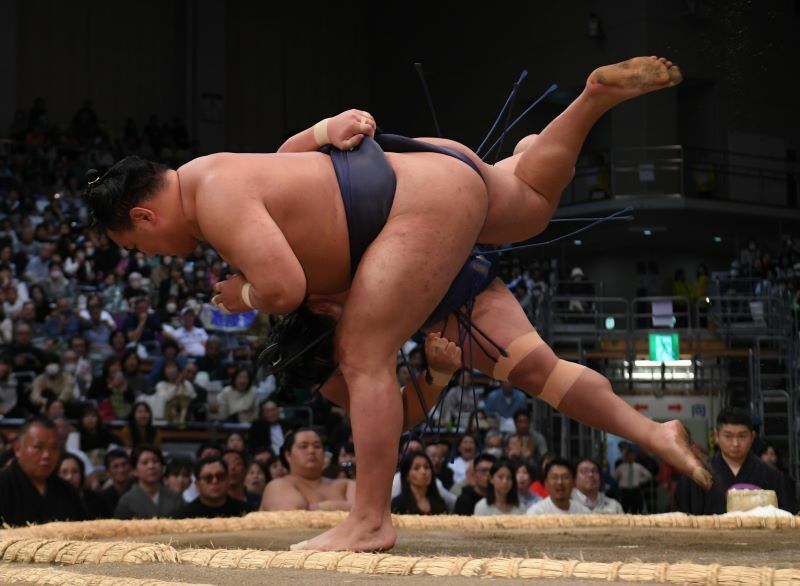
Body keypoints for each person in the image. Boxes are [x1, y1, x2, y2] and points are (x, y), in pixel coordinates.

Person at [87, 57, 694, 551]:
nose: (154, 254)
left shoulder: (212, 200)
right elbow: (288, 166)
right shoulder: (212, 172)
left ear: (143, 214)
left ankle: (370, 518)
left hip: (411, 210)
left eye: (139, 243)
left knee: (363, 351)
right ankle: (590, 101)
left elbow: (285, 290)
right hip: (424, 185)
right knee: (530, 206)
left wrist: (240, 295)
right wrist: (325, 130)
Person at [677, 408, 795, 514]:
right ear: (717, 436)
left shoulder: (772, 475)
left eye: (742, 436)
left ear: (752, 437)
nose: (735, 443)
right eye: (728, 436)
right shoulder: (696, 475)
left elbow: (786, 517)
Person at [0, 417, 85, 526]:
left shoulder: (68, 492)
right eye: (38, 447)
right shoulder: (3, 485)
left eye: (53, 448)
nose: (47, 455)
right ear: (17, 449)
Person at [260, 428, 354, 512]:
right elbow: (295, 515)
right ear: (288, 455)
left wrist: (314, 507)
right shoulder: (278, 486)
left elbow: (364, 512)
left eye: (317, 446)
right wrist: (343, 506)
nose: (311, 451)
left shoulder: (345, 485)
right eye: (303, 446)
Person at [114, 445, 183, 519]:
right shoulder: (126, 502)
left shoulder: (175, 498)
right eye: (145, 463)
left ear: (162, 467)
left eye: (155, 461)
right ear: (134, 471)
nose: (151, 466)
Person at [178, 456, 252, 519]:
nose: (215, 481)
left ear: (228, 480)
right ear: (197, 484)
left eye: (220, 476)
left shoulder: (246, 514)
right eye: (208, 478)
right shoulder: (183, 517)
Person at [391, 451, 448, 515]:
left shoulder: (440, 503)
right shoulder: (399, 504)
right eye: (416, 468)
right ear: (407, 476)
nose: (423, 472)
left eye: (426, 467)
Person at [57, 452, 109, 519]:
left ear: (81, 475)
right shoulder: (50, 501)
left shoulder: (97, 500)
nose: (69, 477)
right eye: (64, 472)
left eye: (75, 471)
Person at [613, 447, 653, 514]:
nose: (630, 457)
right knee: (624, 509)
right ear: (625, 457)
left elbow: (649, 475)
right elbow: (613, 476)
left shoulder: (638, 466)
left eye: (632, 455)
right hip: (624, 491)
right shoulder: (621, 467)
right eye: (628, 456)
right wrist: (618, 480)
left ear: (634, 456)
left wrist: (640, 481)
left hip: (635, 490)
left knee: (636, 509)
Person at [101, 448, 133, 514]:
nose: (121, 470)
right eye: (115, 466)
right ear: (108, 472)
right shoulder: (103, 498)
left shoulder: (140, 490)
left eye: (124, 464)